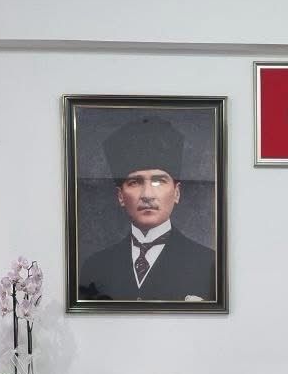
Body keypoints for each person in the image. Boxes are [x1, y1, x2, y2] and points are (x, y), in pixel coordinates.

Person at [78, 116, 216, 302]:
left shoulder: (208, 264)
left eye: (159, 181)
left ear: (176, 192)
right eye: (135, 182)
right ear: (120, 196)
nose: (147, 194)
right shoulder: (95, 267)